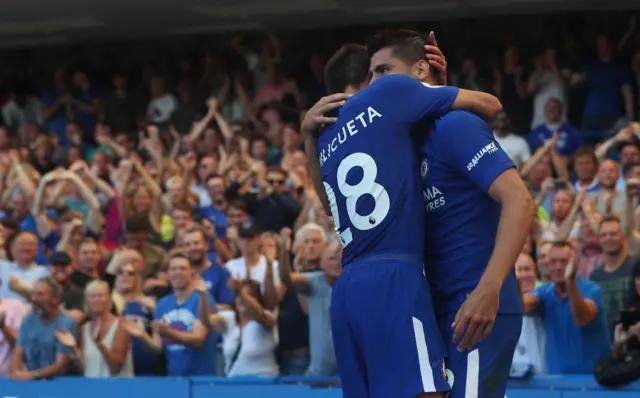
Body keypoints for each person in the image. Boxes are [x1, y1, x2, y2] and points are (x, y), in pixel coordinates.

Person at [301, 36, 501, 398]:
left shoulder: (324, 131)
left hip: (348, 289)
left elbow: (330, 206)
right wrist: (428, 83)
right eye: (378, 71)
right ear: (367, 77)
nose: (382, 77)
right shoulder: (389, 92)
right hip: (394, 276)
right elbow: (489, 104)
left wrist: (305, 139)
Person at [366, 29, 534, 397]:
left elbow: (520, 202)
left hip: (478, 308)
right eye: (370, 75)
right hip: (437, 311)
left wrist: (488, 290)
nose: (373, 84)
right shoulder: (403, 142)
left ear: (421, 71)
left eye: (382, 71)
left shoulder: (455, 126)